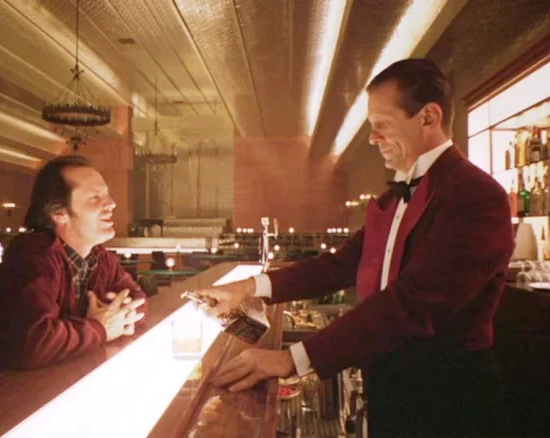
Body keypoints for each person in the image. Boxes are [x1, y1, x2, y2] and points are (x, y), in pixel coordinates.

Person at [196, 59, 514, 437]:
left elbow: (413, 305)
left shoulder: (476, 196)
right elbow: (340, 265)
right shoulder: (396, 196)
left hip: (448, 395)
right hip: (391, 385)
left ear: (428, 117)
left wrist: (291, 359)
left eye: (382, 125)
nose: (372, 138)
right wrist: (249, 289)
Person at [0, 155, 147, 395]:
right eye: (95, 197)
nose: (111, 203)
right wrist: (100, 328)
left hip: (46, 385)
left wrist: (113, 319)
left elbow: (139, 303)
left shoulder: (100, 257)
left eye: (106, 194)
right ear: (59, 213)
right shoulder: (32, 255)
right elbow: (33, 343)